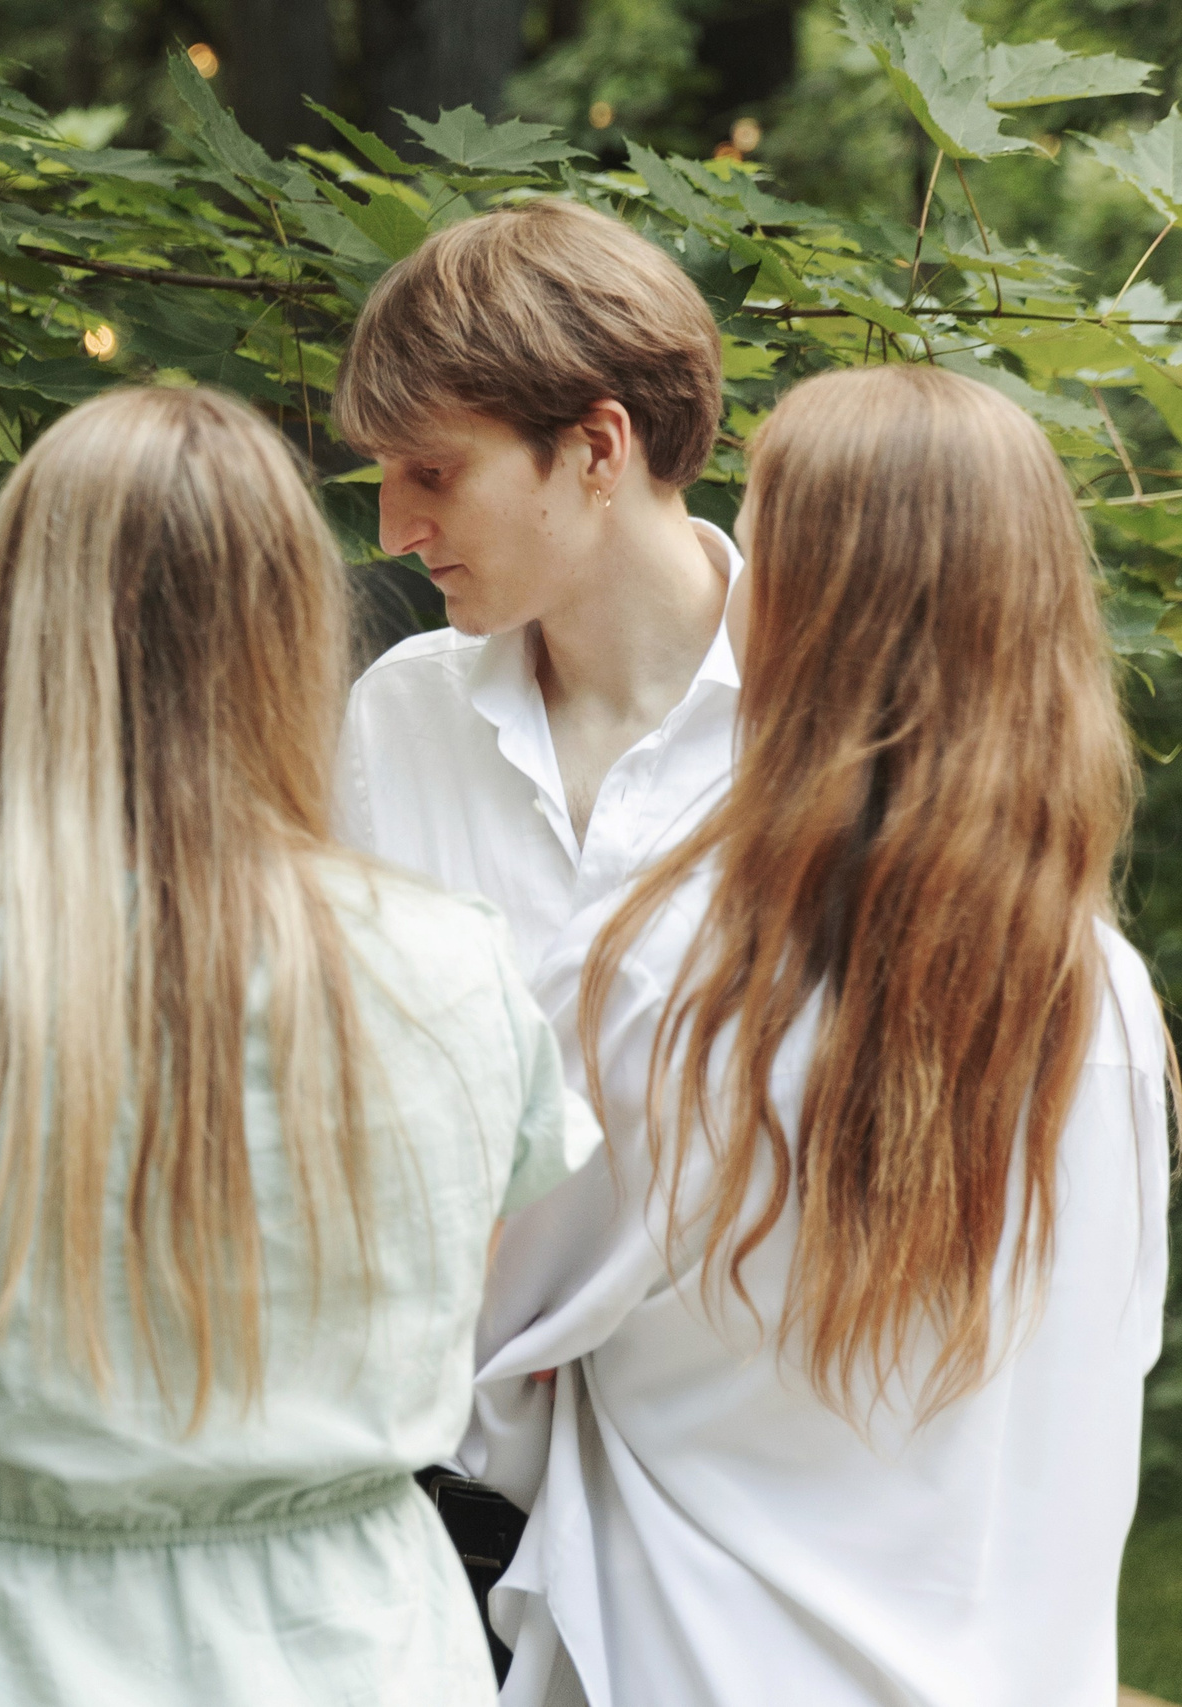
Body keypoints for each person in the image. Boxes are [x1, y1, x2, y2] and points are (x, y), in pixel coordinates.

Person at [0, 386, 597, 1707]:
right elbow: (451, 1333)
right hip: (363, 1649)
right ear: (294, 628)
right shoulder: (459, 965)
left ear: (24, 625)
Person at [474, 365, 1171, 1706]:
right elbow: (1097, 1374)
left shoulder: (673, 965)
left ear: (803, 605)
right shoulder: (1109, 995)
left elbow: (492, 1363)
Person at [332, 196, 739, 976]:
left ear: (597, 448)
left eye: (433, 472)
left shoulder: (831, 719)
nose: (394, 534)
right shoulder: (398, 719)